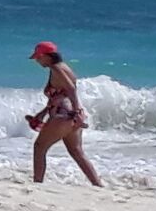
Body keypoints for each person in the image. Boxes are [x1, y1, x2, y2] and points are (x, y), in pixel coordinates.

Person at [26, 41, 101, 187]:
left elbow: (71, 90)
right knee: (76, 152)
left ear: (48, 56)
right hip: (70, 115)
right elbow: (62, 94)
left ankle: (37, 185)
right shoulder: (64, 68)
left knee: (39, 147)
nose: (37, 60)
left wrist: (77, 111)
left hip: (63, 116)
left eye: (39, 57)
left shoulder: (56, 69)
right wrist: (41, 115)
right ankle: (97, 185)